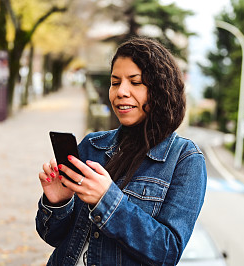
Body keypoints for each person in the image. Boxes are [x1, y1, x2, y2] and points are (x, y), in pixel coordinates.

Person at [36, 37, 207, 266]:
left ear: (160, 88)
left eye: (135, 82)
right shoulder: (92, 145)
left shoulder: (185, 159)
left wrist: (107, 200)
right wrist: (58, 203)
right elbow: (53, 237)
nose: (121, 92)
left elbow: (167, 252)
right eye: (115, 82)